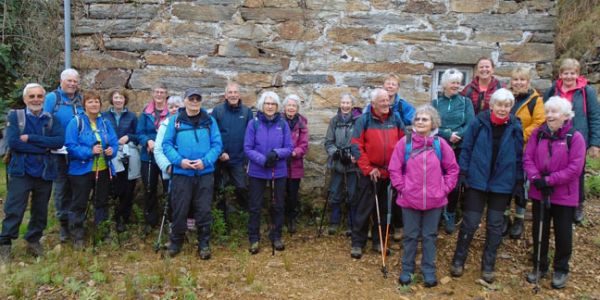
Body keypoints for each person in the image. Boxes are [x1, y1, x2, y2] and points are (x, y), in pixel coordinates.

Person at [450, 88, 523, 283]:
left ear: (511, 107)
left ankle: (488, 265)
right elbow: (467, 148)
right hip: (477, 180)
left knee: (495, 224)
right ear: (492, 106)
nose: (503, 108)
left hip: (502, 183)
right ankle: (458, 260)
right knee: (470, 222)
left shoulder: (515, 126)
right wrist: (463, 172)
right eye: (499, 104)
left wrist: (518, 181)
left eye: (507, 105)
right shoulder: (479, 123)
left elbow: (518, 156)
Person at [389, 105, 459, 287]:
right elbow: (394, 169)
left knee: (430, 236)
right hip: (409, 199)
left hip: (435, 200)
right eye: (417, 119)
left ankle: (429, 270)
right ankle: (407, 270)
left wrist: (444, 189)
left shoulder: (439, 144)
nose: (420, 122)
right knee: (410, 236)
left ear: (433, 123)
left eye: (425, 119)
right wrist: (403, 188)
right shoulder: (405, 143)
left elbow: (452, 169)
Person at [523, 96, 586, 289]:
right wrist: (535, 179)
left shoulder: (574, 137)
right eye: (548, 111)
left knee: (563, 233)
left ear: (566, 116)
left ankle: (561, 269)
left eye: (554, 112)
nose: (549, 115)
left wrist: (550, 180)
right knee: (539, 229)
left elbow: (575, 168)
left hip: (564, 194)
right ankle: (539, 265)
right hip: (539, 191)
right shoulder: (538, 134)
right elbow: (527, 158)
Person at [0, 84, 64, 261]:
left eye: (39, 96)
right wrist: (44, 147)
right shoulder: (15, 117)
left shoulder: (51, 119)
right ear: (25, 99)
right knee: (14, 208)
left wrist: (32, 140)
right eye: (32, 96)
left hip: (45, 170)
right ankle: (5, 243)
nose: (36, 99)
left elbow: (58, 141)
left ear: (44, 98)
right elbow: (13, 143)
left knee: (40, 209)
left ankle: (33, 240)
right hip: (21, 170)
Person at [161, 88, 223, 259]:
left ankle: (204, 244)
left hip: (204, 173)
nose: (194, 102)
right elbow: (166, 144)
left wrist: (206, 161)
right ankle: (176, 242)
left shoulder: (209, 121)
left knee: (203, 209)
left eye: (197, 99)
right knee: (180, 209)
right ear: (185, 100)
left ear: (200, 101)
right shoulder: (175, 121)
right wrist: (180, 161)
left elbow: (217, 144)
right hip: (182, 173)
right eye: (191, 99)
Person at [350, 88, 405, 259]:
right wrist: (368, 169)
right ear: (373, 103)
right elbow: (356, 146)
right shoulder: (363, 120)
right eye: (382, 100)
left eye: (387, 99)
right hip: (370, 173)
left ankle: (379, 241)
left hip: (389, 173)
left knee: (384, 209)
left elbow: (404, 142)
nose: (386, 103)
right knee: (364, 209)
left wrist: (397, 167)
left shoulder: (395, 119)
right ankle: (358, 243)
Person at [543, 58, 600, 224]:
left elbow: (595, 116)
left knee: (577, 171)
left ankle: (577, 204)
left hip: (578, 137)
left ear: (578, 74)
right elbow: (544, 111)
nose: (569, 76)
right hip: (556, 135)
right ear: (560, 74)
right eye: (566, 73)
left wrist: (595, 143)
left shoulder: (586, 91)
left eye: (572, 73)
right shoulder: (553, 89)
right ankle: (556, 200)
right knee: (556, 168)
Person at [65, 91, 118, 249]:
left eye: (96, 102)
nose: (94, 104)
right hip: (81, 170)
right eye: (90, 102)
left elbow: (114, 142)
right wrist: (89, 151)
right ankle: (77, 235)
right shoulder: (76, 122)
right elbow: (70, 146)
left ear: (100, 105)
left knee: (101, 202)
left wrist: (112, 151)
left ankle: (102, 231)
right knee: (79, 203)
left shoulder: (105, 123)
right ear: (84, 105)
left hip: (102, 169)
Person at [244, 91, 293, 254]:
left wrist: (277, 154)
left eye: (273, 104)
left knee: (278, 205)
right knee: (255, 206)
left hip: (277, 170)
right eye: (267, 103)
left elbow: (289, 148)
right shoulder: (254, 123)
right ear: (262, 106)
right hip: (257, 170)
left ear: (277, 107)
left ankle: (276, 235)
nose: (270, 106)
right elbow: (247, 148)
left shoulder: (283, 124)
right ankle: (254, 238)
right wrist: (262, 159)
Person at [503, 67, 546, 239]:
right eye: (515, 79)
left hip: (526, 149)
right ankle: (505, 216)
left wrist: (520, 134)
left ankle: (519, 218)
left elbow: (540, 122)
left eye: (522, 80)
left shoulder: (536, 101)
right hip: (506, 148)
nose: (518, 83)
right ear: (511, 81)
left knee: (523, 184)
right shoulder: (506, 97)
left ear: (528, 82)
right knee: (504, 181)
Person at [43, 68, 84, 243]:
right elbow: (43, 120)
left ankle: (76, 224)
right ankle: (64, 226)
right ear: (61, 81)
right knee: (60, 190)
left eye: (75, 81)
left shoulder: (80, 100)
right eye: (69, 81)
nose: (72, 84)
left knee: (77, 188)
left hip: (76, 152)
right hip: (57, 152)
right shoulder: (53, 98)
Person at [431, 68, 474, 234]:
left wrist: (458, 135)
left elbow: (471, 123)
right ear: (444, 85)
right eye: (453, 82)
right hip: (439, 147)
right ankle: (435, 213)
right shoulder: (435, 103)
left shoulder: (465, 102)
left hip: (459, 148)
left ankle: (449, 213)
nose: (456, 85)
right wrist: (447, 134)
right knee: (436, 181)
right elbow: (432, 125)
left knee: (454, 184)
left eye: (458, 82)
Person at [211, 82, 253, 226]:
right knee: (220, 190)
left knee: (241, 187)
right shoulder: (218, 111)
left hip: (239, 159)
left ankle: (247, 218)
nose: (233, 95)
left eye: (236, 92)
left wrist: (248, 158)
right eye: (230, 92)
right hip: (220, 158)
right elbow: (212, 134)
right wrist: (220, 153)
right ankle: (223, 223)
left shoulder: (247, 112)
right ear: (226, 95)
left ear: (239, 95)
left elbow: (251, 135)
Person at [324, 93, 362, 235]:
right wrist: (336, 153)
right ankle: (334, 222)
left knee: (353, 194)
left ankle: (352, 224)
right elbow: (328, 142)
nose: (345, 106)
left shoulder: (358, 121)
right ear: (340, 104)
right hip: (337, 162)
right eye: (343, 103)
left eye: (348, 103)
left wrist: (354, 156)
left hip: (353, 164)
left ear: (352, 105)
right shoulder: (334, 121)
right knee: (335, 192)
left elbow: (361, 142)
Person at [103, 90, 139, 233]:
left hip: (127, 155)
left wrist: (128, 136)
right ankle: (114, 218)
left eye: (121, 98)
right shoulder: (104, 116)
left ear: (125, 100)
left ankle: (124, 218)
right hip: (111, 156)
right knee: (115, 188)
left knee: (128, 188)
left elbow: (138, 135)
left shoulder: (131, 116)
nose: (118, 100)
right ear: (112, 100)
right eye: (116, 97)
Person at [137, 83, 170, 233]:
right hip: (148, 156)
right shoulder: (145, 113)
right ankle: (150, 221)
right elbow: (139, 133)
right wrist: (147, 141)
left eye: (162, 92)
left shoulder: (171, 112)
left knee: (168, 188)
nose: (159, 95)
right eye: (157, 92)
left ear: (166, 95)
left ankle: (170, 220)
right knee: (150, 187)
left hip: (165, 156)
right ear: (153, 94)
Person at [282, 94, 309, 234]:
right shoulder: (279, 121)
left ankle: (291, 219)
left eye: (294, 106)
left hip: (295, 164)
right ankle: (279, 219)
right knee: (280, 193)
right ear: (284, 107)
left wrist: (295, 152)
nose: (291, 108)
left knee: (293, 194)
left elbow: (304, 144)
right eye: (289, 105)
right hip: (280, 163)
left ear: (297, 108)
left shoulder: (302, 123)